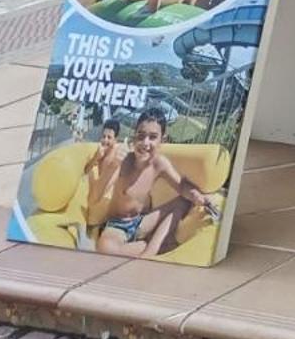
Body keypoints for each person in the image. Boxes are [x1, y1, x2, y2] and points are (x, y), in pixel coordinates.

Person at [94, 107, 221, 258]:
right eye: (141, 136)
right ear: (134, 137)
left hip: (141, 222)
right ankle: (157, 245)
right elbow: (96, 193)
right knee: (105, 249)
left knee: (183, 201)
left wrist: (197, 196)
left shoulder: (159, 163)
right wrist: (112, 166)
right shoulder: (123, 161)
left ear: (162, 140)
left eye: (153, 137)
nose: (145, 143)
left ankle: (150, 250)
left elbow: (181, 186)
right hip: (117, 226)